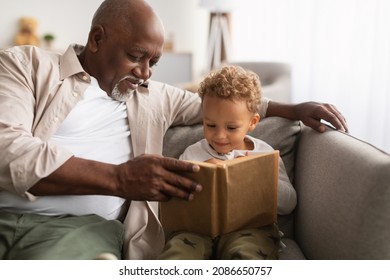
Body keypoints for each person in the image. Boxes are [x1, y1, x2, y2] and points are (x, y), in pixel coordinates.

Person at [0, 0, 347, 260]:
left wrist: (294, 109)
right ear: (96, 39)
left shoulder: (155, 97)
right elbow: (7, 150)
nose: (146, 73)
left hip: (78, 231)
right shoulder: (26, 65)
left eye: (154, 62)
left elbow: (222, 105)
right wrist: (119, 179)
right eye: (137, 57)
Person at [158, 65, 296, 260]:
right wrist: (201, 175)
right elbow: (175, 200)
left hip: (251, 229)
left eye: (231, 127)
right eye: (210, 125)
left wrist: (260, 176)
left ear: (252, 122)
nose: (219, 135)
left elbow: (289, 203)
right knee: (179, 252)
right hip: (198, 229)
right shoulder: (193, 153)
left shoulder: (264, 153)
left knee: (245, 255)